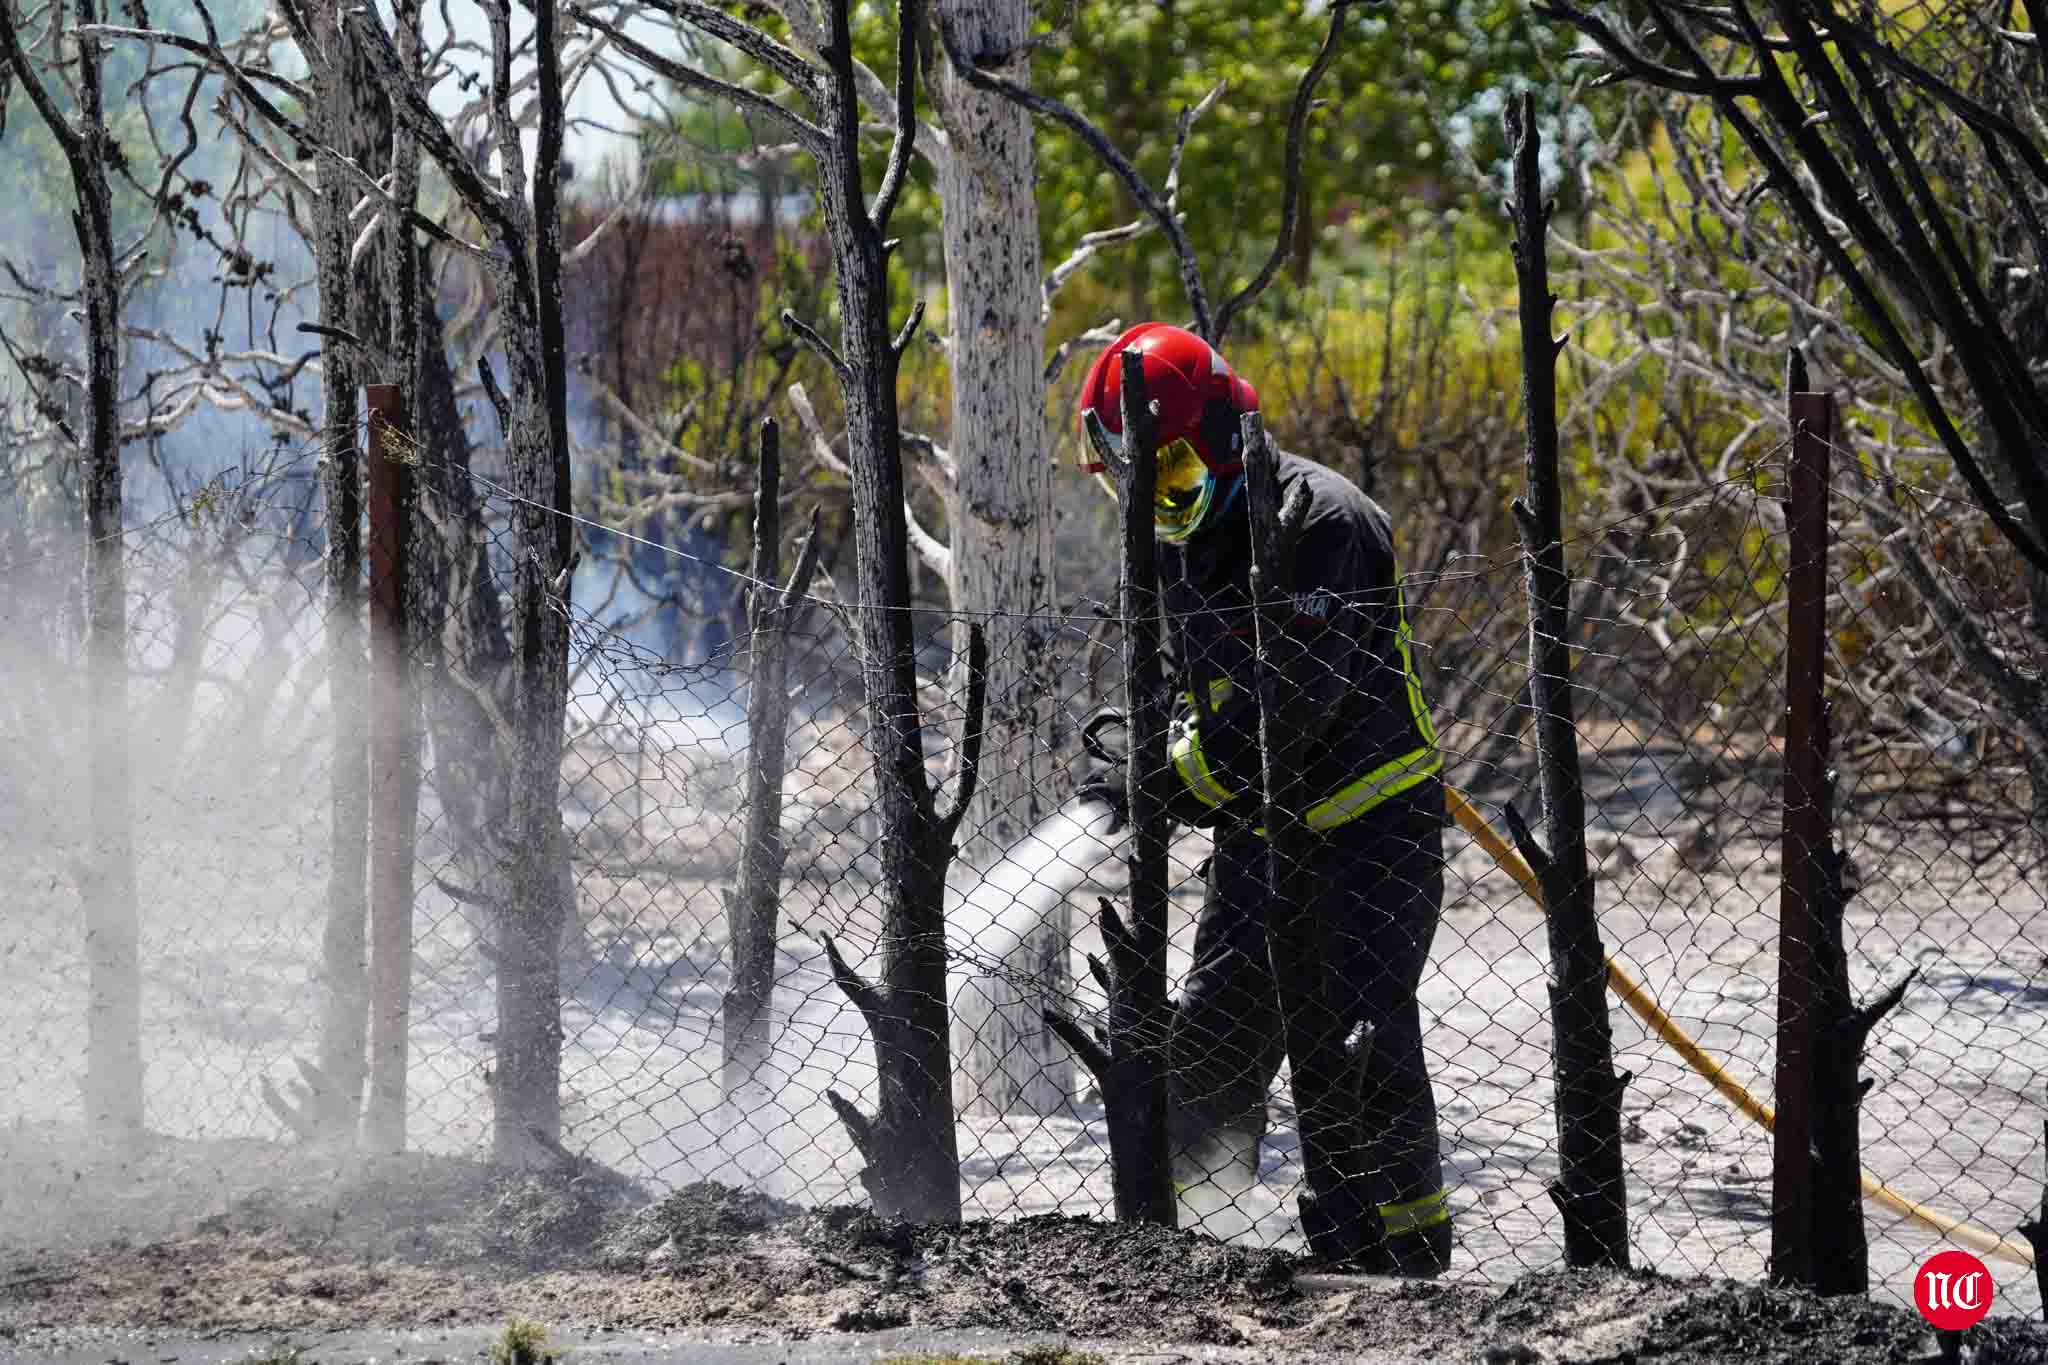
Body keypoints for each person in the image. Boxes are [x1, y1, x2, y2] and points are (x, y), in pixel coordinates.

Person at [1070, 322, 1452, 1277]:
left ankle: (1400, 1262)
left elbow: (1297, 705)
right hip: (1259, 832)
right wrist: (1132, 745)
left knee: (1361, 1049)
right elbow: (1187, 685)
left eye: (1172, 482)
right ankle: (1210, 1243)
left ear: (1227, 438)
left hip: (1371, 831)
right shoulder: (1175, 539)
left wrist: (1173, 780)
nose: (1159, 509)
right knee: (1215, 1041)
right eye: (1138, 487)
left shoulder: (1325, 523)